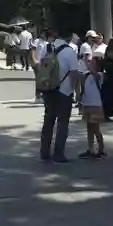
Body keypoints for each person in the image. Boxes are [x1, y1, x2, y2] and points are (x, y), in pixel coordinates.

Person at [40, 29, 80, 163]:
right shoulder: (70, 52)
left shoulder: (47, 48)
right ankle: (58, 153)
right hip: (64, 91)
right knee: (62, 123)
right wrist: (77, 92)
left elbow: (40, 67)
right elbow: (74, 74)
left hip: (49, 90)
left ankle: (44, 151)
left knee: (48, 121)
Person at [78, 65, 106, 159]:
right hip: (87, 104)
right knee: (89, 127)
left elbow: (97, 76)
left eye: (94, 63)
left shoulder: (100, 75)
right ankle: (90, 149)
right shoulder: (86, 75)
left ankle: (101, 149)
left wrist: (92, 70)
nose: (91, 64)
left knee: (96, 128)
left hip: (96, 104)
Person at [30, 29, 50, 104]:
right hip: (37, 63)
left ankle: (42, 95)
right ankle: (37, 97)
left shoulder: (46, 42)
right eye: (42, 33)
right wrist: (34, 60)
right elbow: (33, 51)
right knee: (39, 80)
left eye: (44, 33)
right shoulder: (37, 41)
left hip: (44, 64)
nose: (43, 34)